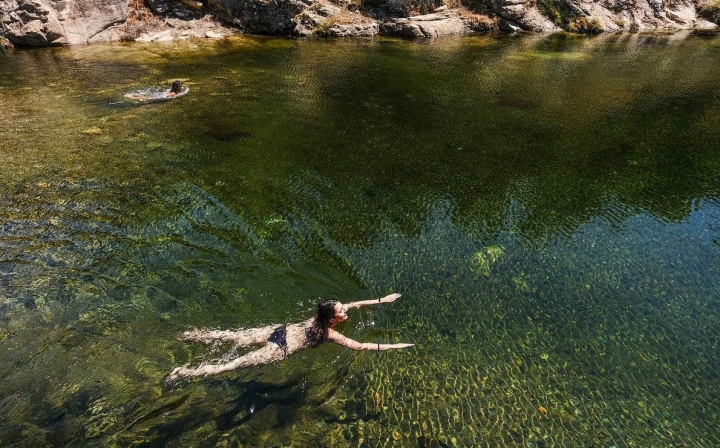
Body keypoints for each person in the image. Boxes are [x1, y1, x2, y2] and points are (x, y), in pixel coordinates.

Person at [168, 293, 413, 380]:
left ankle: (189, 335)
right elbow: (360, 346)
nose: (345, 310)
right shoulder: (329, 333)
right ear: (332, 317)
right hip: (280, 348)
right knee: (231, 364)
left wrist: (383, 300)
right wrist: (395, 345)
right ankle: (186, 373)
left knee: (231, 337)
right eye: (341, 310)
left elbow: (357, 304)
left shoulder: (320, 317)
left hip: (280, 330)